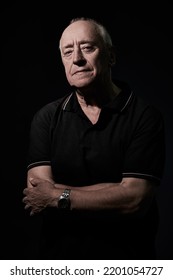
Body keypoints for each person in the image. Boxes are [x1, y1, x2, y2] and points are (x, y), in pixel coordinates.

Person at [22, 17, 165, 260]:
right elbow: (37, 192)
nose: (77, 58)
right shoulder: (46, 118)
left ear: (111, 56)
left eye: (88, 47)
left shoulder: (144, 116)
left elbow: (135, 199)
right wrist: (113, 190)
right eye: (68, 51)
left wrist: (58, 195)